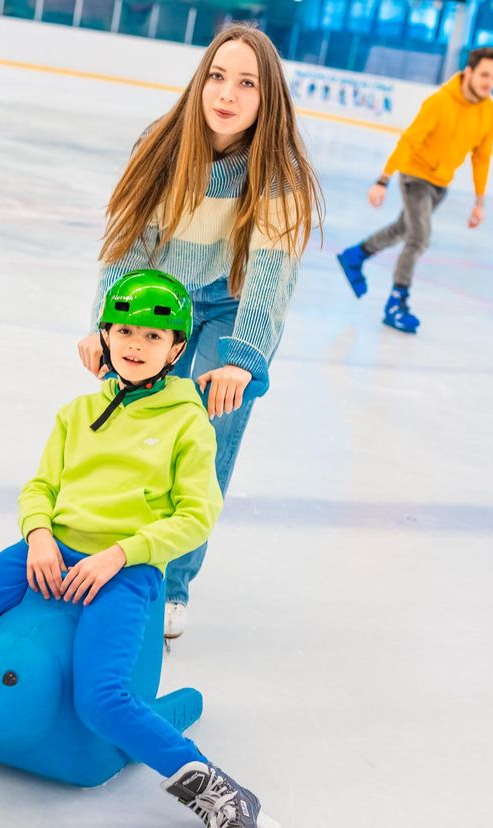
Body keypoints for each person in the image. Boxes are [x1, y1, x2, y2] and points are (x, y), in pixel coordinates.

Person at [0, 271, 276, 827]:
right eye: (127, 331)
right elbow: (41, 487)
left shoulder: (190, 424)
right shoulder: (75, 414)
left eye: (154, 337)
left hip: (124, 572)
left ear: (177, 349)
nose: (137, 345)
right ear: (106, 336)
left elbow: (196, 517)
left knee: (102, 700)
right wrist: (39, 535)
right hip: (47, 549)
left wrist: (122, 555)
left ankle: (210, 786)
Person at [78, 23, 322, 640]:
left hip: (235, 305)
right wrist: (108, 326)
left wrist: (242, 359)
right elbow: (128, 245)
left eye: (248, 83)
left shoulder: (279, 175)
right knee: (137, 419)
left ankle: (172, 584)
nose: (228, 94)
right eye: (218, 76)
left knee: (208, 437)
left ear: (268, 99)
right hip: (165, 295)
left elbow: (270, 279)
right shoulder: (162, 144)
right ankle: (116, 551)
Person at [336, 47, 493, 333]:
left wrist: (479, 201)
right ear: (469, 71)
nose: (489, 82)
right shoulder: (439, 102)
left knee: (404, 228)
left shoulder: (490, 111)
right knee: (419, 237)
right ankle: (397, 303)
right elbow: (410, 141)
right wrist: (383, 179)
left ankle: (356, 255)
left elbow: (482, 157)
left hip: (441, 184)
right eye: (485, 75)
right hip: (415, 177)